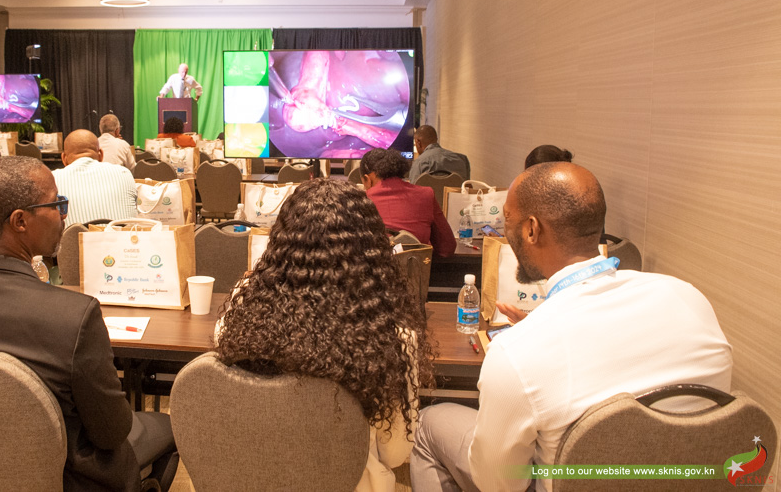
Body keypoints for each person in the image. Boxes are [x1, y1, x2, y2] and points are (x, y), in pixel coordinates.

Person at [409, 163, 733, 492]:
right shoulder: (688, 299)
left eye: (507, 218)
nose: (503, 230)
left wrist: (528, 340)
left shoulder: (517, 353)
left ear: (531, 230)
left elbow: (500, 484)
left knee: (429, 423)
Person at [0, 156, 176, 492]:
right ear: (20, 221)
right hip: (67, 478)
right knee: (167, 427)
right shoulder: (73, 315)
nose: (64, 214)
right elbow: (111, 432)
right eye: (57, 204)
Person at [215, 179, 433, 492]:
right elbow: (396, 453)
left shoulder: (242, 314)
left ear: (280, 244)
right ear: (372, 251)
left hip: (257, 478)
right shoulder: (394, 339)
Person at [361, 149, 456, 258]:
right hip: (416, 267)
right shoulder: (426, 194)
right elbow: (447, 248)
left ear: (367, 179)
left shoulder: (362, 199)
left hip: (376, 267)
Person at [52, 129, 137, 224]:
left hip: (72, 234)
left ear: (64, 158)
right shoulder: (124, 173)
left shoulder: (52, 180)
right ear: (101, 155)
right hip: (120, 234)